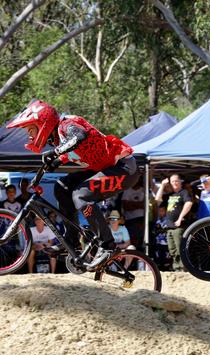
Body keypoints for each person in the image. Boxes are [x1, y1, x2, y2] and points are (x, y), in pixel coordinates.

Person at [6, 100, 138, 271]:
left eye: (30, 129)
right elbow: (70, 151)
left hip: (124, 168)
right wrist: (51, 163)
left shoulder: (67, 125)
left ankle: (108, 246)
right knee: (62, 186)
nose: (29, 135)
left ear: (43, 124)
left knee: (81, 194)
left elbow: (79, 137)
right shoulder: (58, 139)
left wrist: (56, 152)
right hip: (107, 168)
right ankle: (72, 242)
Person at [154, 173, 193, 271]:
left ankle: (183, 268)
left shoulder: (184, 192)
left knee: (180, 248)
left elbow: (189, 203)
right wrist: (162, 185)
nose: (174, 183)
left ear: (180, 182)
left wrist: (180, 218)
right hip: (169, 226)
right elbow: (157, 199)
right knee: (172, 250)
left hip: (179, 226)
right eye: (172, 181)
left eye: (176, 181)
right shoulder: (169, 195)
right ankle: (177, 268)